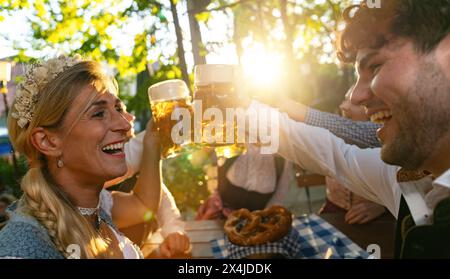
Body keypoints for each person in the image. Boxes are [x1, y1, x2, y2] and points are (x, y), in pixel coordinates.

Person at [245, 0, 450, 258]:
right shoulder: (405, 180)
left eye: (375, 65)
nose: (355, 97)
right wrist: (230, 109)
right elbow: (329, 152)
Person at [0, 55, 162, 259]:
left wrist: (153, 141)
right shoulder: (20, 250)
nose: (125, 124)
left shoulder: (96, 207)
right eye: (98, 114)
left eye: (118, 108)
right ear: (47, 141)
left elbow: (143, 206)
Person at [103, 106, 190, 258]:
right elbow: (127, 159)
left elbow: (166, 208)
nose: (131, 117)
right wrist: (154, 137)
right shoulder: (95, 190)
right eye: (119, 111)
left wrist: (173, 232)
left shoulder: (141, 170)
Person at [320, 89, 386, 225]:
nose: (343, 106)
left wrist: (383, 207)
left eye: (354, 103)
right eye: (345, 99)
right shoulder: (331, 137)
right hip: (333, 213)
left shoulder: (389, 145)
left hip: (375, 223)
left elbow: (416, 188)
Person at [195, 145, 292, 220]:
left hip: (255, 227)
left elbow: (280, 196)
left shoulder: (282, 157)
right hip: (220, 219)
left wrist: (258, 218)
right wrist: (216, 200)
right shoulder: (235, 143)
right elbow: (210, 167)